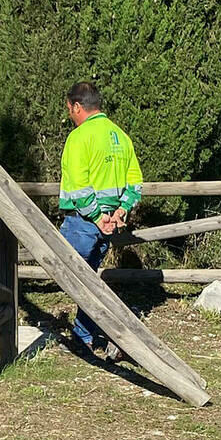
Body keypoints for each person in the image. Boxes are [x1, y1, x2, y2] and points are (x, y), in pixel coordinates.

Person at [58, 81, 143, 359]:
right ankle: (84, 335)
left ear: (78, 106)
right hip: (109, 223)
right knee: (90, 281)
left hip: (84, 221)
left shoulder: (80, 138)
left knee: (66, 273)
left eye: (70, 109)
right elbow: (135, 183)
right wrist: (120, 211)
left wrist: (95, 216)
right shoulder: (120, 136)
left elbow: (79, 187)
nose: (70, 115)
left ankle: (107, 332)